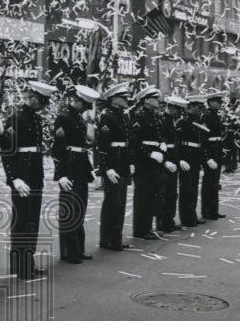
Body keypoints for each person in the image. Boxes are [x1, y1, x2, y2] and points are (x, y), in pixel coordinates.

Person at [0, 80, 57, 277]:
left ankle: (27, 262)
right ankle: (21, 266)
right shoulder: (17, 118)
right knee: (22, 221)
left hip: (34, 175)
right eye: (42, 101)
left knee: (32, 220)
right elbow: (7, 150)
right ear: (31, 98)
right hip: (22, 175)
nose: (44, 105)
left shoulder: (34, 118)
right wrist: (14, 178)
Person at [51, 84, 100, 262]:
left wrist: (89, 170)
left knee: (79, 209)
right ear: (77, 101)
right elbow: (57, 149)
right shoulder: (63, 118)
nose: (86, 109)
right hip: (69, 168)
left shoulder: (78, 118)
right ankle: (69, 252)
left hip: (79, 168)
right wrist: (61, 174)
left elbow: (86, 143)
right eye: (85, 105)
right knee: (70, 211)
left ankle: (77, 248)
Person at [96, 83, 132, 251]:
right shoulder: (107, 115)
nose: (127, 100)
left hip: (122, 161)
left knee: (120, 203)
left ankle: (115, 237)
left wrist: (129, 162)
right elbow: (103, 145)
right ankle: (107, 239)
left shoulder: (122, 115)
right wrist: (108, 168)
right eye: (123, 98)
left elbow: (126, 142)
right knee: (112, 202)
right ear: (114, 99)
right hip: (113, 162)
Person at [128, 86, 164, 240]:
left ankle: (147, 227)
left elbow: (156, 136)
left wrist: (160, 145)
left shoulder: (153, 116)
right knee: (142, 196)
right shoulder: (139, 116)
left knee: (151, 194)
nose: (158, 101)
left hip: (153, 161)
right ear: (147, 100)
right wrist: (150, 153)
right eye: (155, 98)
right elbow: (134, 141)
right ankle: (140, 229)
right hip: (143, 162)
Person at [158, 95, 187, 232]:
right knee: (164, 192)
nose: (181, 113)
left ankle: (169, 220)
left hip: (173, 158)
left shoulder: (172, 121)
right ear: (171, 108)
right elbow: (161, 144)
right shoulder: (163, 121)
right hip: (166, 159)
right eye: (179, 110)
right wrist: (165, 161)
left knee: (171, 192)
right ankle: (163, 221)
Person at [177, 96, 206, 227]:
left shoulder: (197, 121)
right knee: (186, 188)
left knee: (193, 187)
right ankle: (186, 217)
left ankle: (192, 213)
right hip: (187, 155)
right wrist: (181, 158)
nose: (201, 110)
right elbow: (178, 142)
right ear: (192, 107)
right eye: (199, 107)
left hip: (195, 156)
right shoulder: (183, 122)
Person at [200, 90, 227, 220]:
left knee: (215, 181)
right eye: (217, 102)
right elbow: (203, 139)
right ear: (210, 102)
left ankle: (213, 210)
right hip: (211, 150)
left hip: (217, 149)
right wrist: (208, 157)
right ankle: (206, 210)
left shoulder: (216, 115)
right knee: (209, 181)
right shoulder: (206, 117)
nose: (220, 104)